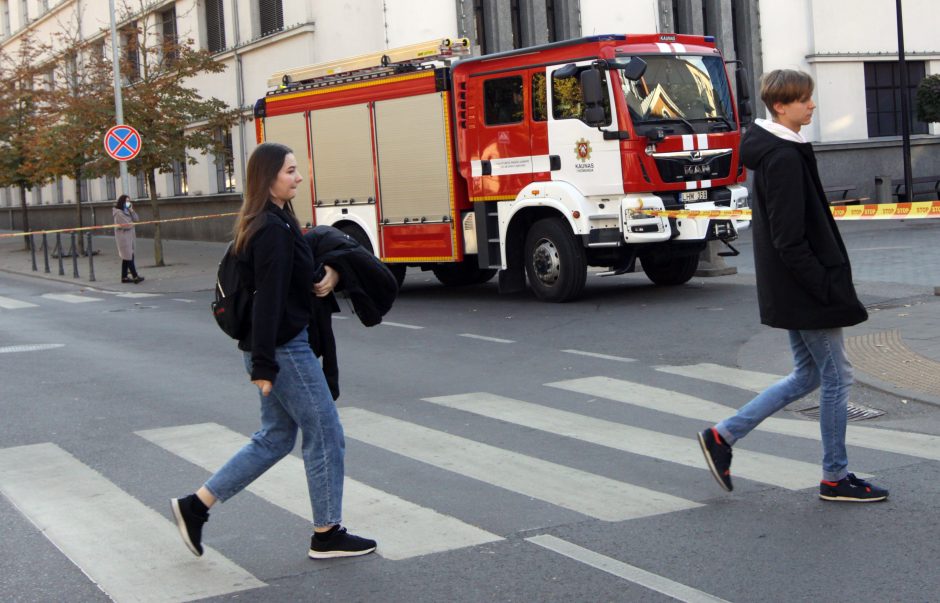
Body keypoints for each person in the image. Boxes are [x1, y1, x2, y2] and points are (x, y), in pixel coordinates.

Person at [171, 142, 377, 559]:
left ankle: (196, 507)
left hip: (279, 346)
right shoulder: (270, 229)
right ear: (268, 178)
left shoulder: (274, 222)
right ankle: (327, 533)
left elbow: (297, 275)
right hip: (284, 350)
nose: (298, 178)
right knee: (327, 433)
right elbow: (267, 300)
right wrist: (264, 364)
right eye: (290, 171)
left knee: (275, 437)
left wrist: (331, 274)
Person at [697, 69, 888, 503]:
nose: (812, 105)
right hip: (805, 290)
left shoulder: (780, 150)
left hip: (793, 287)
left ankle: (722, 436)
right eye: (804, 99)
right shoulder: (781, 156)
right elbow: (788, 238)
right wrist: (823, 286)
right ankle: (835, 477)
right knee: (838, 377)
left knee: (808, 375)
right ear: (781, 105)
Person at [112, 194, 144, 284]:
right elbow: (127, 225)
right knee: (129, 257)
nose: (128, 203)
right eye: (126, 201)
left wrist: (131, 210)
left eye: (129, 201)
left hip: (130, 237)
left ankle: (124, 277)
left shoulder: (128, 211)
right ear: (122, 202)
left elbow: (136, 219)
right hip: (123, 238)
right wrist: (132, 223)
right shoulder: (118, 213)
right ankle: (135, 276)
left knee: (126, 257)